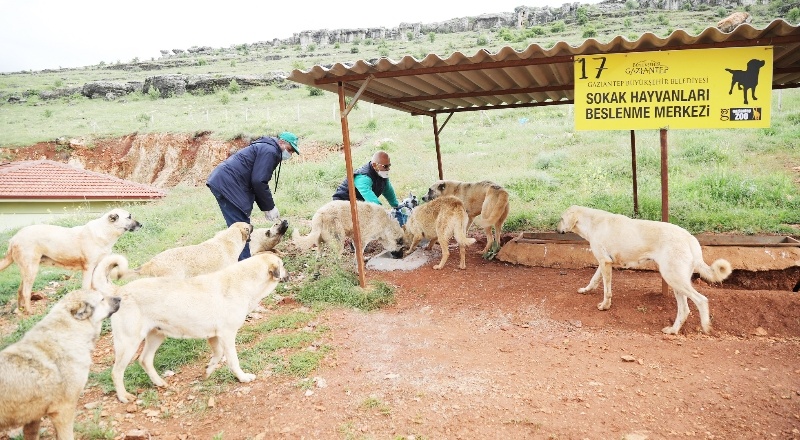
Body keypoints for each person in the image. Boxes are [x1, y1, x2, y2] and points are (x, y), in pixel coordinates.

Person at [206, 131, 299, 260]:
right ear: (282, 142)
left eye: (293, 152)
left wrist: (266, 207)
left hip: (225, 182)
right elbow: (258, 181)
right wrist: (270, 207)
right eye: (290, 149)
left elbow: (255, 181)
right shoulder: (270, 151)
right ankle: (244, 267)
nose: (290, 154)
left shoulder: (268, 148)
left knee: (240, 226)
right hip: (228, 184)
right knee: (242, 230)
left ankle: (238, 261)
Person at [332, 150, 399, 209]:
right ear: (375, 165)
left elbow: (388, 190)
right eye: (385, 166)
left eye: (389, 165)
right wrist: (383, 212)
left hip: (357, 202)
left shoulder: (381, 174)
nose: (388, 169)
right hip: (343, 203)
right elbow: (372, 201)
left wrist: (396, 206)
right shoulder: (364, 178)